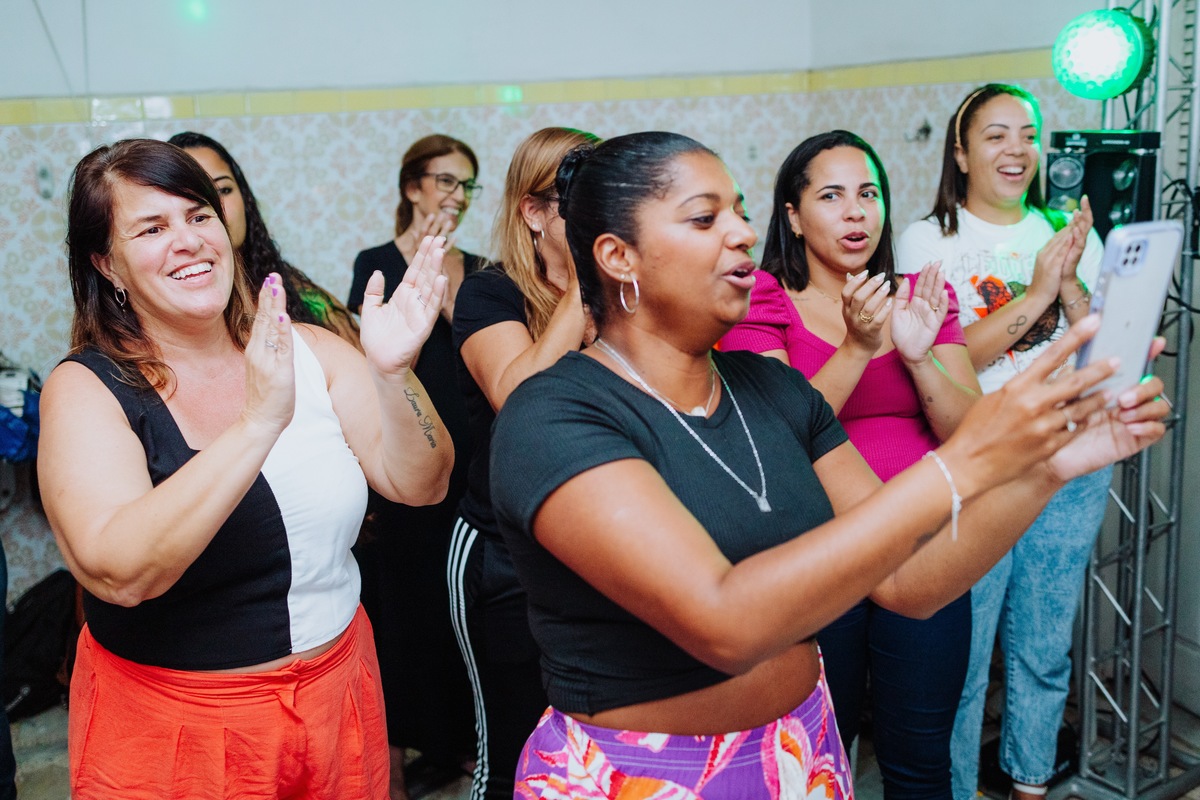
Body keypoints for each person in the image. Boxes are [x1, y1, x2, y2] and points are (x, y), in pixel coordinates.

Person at [486, 131, 1167, 798]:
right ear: (617, 256)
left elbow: (909, 582)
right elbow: (726, 625)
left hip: (802, 751)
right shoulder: (554, 416)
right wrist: (960, 465)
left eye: (741, 211)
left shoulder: (772, 389)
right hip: (638, 776)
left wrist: (1042, 469)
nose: (744, 234)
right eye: (705, 218)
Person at [38, 138, 453, 799]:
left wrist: (393, 373)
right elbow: (120, 572)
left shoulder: (310, 346)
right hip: (181, 723)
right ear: (106, 263)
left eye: (198, 216)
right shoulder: (89, 388)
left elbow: (422, 482)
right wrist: (257, 423)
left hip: (339, 692)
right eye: (152, 227)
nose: (188, 240)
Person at [721, 130, 980, 800]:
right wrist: (861, 347)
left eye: (868, 193)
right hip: (813, 555)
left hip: (920, 544)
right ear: (794, 215)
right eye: (831, 196)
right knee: (808, 763)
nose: (856, 212)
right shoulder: (760, 299)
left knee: (921, 760)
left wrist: (917, 353)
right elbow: (776, 439)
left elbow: (968, 435)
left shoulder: (923, 294)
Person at [897, 84, 1109, 800]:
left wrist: (1072, 282)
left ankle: (1028, 785)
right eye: (995, 135)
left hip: (1068, 456)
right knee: (964, 653)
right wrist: (1038, 294)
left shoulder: (1065, 229)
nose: (1017, 149)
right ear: (961, 151)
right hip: (980, 463)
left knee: (1044, 650)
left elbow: (1099, 353)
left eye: (1028, 133)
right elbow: (941, 354)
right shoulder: (928, 239)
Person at [447, 126, 599, 800]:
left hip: (599, 545)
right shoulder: (491, 295)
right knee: (512, 752)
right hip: (500, 555)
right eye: (583, 204)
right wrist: (581, 286)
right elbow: (518, 397)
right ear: (535, 213)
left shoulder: (631, 294)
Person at [346, 134, 485, 800]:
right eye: (444, 181)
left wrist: (454, 289)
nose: (454, 196)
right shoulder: (373, 262)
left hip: (470, 458)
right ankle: (399, 754)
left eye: (466, 185)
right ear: (411, 187)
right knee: (403, 610)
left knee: (464, 609)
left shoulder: (482, 267)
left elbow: (481, 355)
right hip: (405, 459)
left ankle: (461, 743)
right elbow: (367, 354)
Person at [167, 131, 361, 347]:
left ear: (245, 199)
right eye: (194, 196)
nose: (215, 209)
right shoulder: (173, 312)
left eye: (223, 190)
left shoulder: (305, 298)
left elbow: (367, 373)